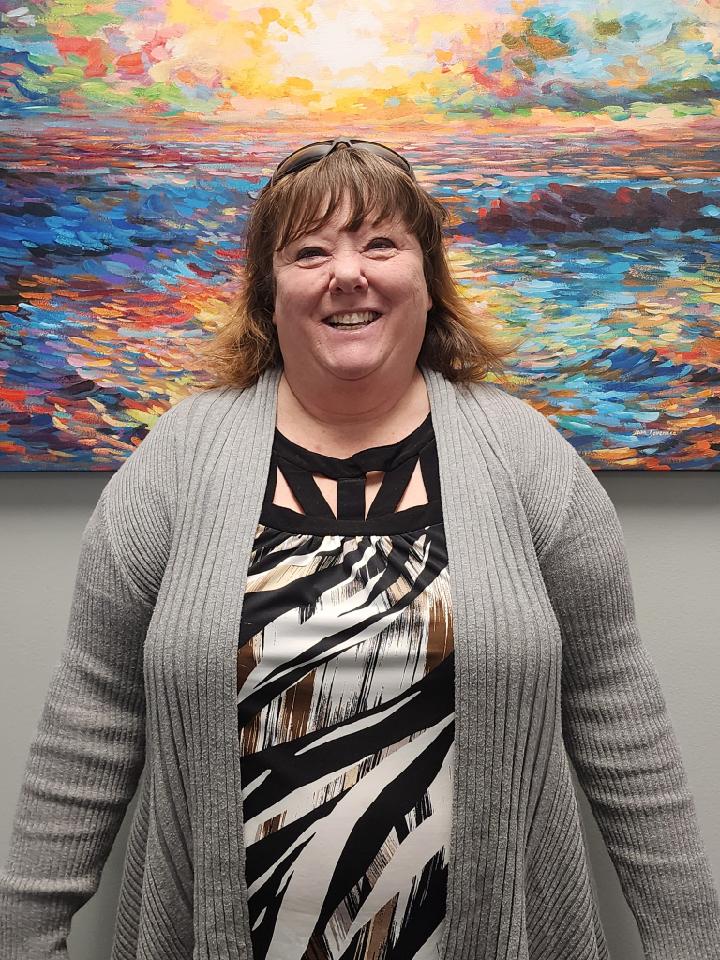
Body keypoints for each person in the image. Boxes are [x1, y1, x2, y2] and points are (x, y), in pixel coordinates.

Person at [1, 137, 719, 960]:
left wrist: (689, 943)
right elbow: (91, 713)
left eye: (381, 243)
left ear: (427, 278)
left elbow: (618, 711)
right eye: (309, 251)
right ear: (269, 294)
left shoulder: (523, 455)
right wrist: (24, 938)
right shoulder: (179, 459)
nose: (348, 273)